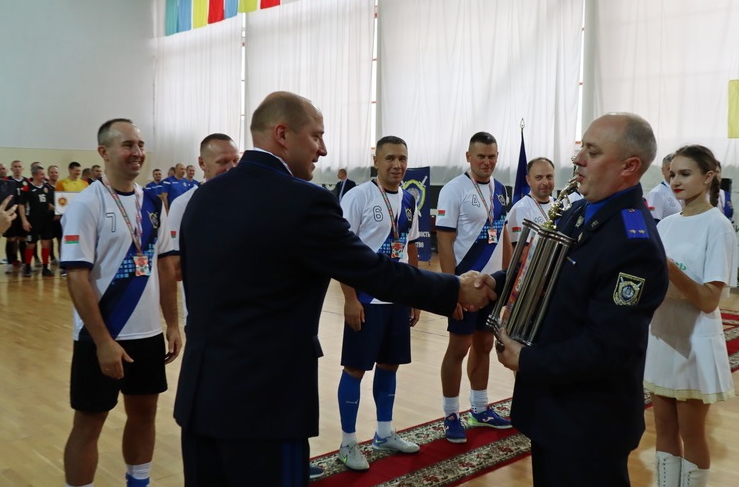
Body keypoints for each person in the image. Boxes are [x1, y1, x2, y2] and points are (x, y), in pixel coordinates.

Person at [174, 91, 496, 486]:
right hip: (268, 404)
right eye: (316, 136)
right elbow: (372, 270)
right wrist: (453, 290)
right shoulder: (303, 200)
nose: (323, 150)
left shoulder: (204, 197)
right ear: (282, 134)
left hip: (201, 397)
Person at [495, 113, 669, 485]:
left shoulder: (633, 243)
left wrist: (527, 360)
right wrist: (494, 284)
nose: (577, 159)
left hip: (588, 422)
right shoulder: (579, 210)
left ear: (629, 167)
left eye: (592, 151)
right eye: (581, 149)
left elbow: (607, 348)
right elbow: (544, 273)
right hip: (553, 410)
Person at [60, 118, 182, 487]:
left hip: (147, 336)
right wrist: (102, 342)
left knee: (145, 414)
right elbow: (76, 278)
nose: (137, 152)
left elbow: (165, 267)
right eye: (128, 145)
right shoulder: (86, 205)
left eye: (140, 145)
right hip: (101, 337)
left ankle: (138, 482)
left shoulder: (152, 203)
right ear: (104, 152)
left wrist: (172, 323)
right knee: (89, 423)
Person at [643, 145, 738, 487]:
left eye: (685, 174)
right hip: (662, 333)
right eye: (672, 174)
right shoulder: (666, 225)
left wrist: (670, 269)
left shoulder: (718, 226)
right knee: (664, 427)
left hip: (695, 338)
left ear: (708, 176)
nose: (675, 181)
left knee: (692, 431)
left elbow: (709, 300)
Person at [336, 136, 422, 471]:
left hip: (397, 298)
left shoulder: (410, 200)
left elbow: (411, 248)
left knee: (390, 365)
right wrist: (350, 298)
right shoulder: (358, 197)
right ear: (376, 160)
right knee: (355, 369)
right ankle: (347, 442)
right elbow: (341, 253)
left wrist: (414, 294)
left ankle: (384, 433)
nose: (397, 165)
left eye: (402, 158)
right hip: (366, 300)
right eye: (390, 158)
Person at [436, 131, 511, 444]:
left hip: (492, 286)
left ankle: (480, 408)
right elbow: (444, 241)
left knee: (484, 346)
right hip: (465, 288)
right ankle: (451, 414)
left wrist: (507, 281)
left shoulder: (501, 190)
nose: (487, 162)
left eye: (492, 156)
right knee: (459, 348)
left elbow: (503, 236)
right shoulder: (453, 190)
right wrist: (451, 289)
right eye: (481, 156)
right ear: (468, 157)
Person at [166, 133, 240, 321]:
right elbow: (175, 269)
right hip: (204, 315)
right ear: (202, 163)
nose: (231, 168)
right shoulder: (183, 205)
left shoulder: (249, 201)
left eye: (235, 161)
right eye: (222, 162)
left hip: (244, 315)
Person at [505, 157, 556, 245]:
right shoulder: (520, 209)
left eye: (549, 177)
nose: (545, 182)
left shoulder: (559, 205)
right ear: (528, 180)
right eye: (539, 177)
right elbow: (519, 251)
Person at [18, 165, 55, 277]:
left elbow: (49, 204)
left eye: (44, 174)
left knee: (46, 243)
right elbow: (21, 205)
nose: (44, 176)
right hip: (32, 220)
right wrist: (24, 221)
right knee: (31, 244)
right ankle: (27, 266)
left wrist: (59, 210)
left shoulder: (47, 187)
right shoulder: (27, 188)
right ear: (34, 175)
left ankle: (45, 267)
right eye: (41, 174)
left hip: (46, 220)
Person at [4, 160, 30, 274]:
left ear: (22, 168)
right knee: (11, 239)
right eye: (15, 166)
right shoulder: (7, 181)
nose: (17, 168)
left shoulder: (27, 182)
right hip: (10, 213)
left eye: (19, 166)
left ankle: (25, 263)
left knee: (23, 239)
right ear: (11, 169)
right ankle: (10, 263)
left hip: (23, 215)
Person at [646, 153, 683, 222]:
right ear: (663, 170)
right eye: (669, 169)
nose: (673, 173)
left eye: (677, 170)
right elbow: (653, 223)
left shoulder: (683, 191)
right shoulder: (656, 194)